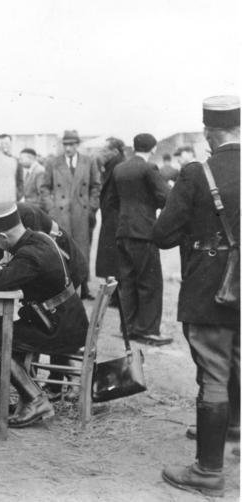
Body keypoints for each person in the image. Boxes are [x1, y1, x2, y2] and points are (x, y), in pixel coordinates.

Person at [157, 95, 240, 497]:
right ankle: (235, 435)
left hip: (211, 288)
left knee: (213, 371)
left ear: (209, 133)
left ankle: (208, 473)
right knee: (238, 359)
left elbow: (163, 235)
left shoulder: (197, 173)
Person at [0, 202, 88, 428]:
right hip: (63, 319)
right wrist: (4, 272)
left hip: (58, 329)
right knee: (6, 339)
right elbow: (13, 274)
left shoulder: (29, 254)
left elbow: (1, 281)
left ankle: (36, 400)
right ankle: (29, 396)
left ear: (3, 236)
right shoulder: (39, 239)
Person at [105, 133, 171, 345]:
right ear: (153, 148)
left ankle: (128, 327)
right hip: (144, 232)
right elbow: (165, 196)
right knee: (149, 282)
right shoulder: (148, 168)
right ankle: (148, 330)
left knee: (128, 281)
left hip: (123, 230)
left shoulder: (120, 168)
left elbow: (112, 200)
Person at [40, 129, 101, 300]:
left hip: (81, 212)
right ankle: (65, 288)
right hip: (61, 213)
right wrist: (51, 207)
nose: (68, 148)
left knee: (83, 248)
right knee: (63, 250)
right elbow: (45, 187)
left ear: (77, 145)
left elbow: (96, 186)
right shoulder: (53, 162)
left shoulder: (89, 161)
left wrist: (91, 207)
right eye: (65, 145)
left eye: (71, 145)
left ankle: (84, 287)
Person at [95, 137, 126, 286]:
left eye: (105, 150)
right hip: (111, 215)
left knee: (114, 254)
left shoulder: (118, 166)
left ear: (114, 151)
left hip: (115, 217)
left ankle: (115, 289)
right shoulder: (112, 164)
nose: (102, 152)